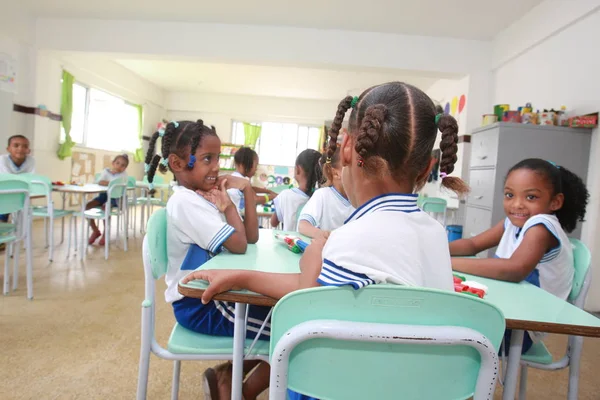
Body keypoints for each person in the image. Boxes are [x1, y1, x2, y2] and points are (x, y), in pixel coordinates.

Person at [182, 82, 469, 399]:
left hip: (347, 386)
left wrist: (310, 258)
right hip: (420, 388)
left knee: (293, 339)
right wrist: (243, 275)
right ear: (428, 165)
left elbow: (305, 301)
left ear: (346, 148)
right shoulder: (434, 233)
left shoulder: (351, 237)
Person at [143, 120, 267, 400]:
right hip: (200, 304)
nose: (215, 167)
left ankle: (227, 375)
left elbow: (251, 237)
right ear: (177, 163)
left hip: (214, 297)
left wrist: (247, 189)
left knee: (280, 318)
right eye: (206, 159)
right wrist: (228, 205)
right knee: (288, 327)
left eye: (218, 158)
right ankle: (238, 392)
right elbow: (238, 245)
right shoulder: (186, 202)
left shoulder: (202, 196)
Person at [449, 158, 588, 353]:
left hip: (521, 329)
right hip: (507, 312)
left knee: (444, 331)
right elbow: (472, 245)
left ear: (555, 202)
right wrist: (436, 249)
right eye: (509, 195)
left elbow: (515, 269)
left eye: (530, 197)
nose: (517, 204)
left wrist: (448, 262)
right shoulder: (512, 222)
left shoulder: (541, 226)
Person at [297, 148, 354, 238]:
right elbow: (303, 225)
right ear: (335, 173)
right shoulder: (322, 195)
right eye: (351, 166)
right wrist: (325, 236)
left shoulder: (359, 200)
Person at [270, 149, 322, 230]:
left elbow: (273, 223)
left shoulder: (285, 195)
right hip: (314, 242)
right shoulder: (322, 196)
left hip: (290, 242)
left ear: (298, 169)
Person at [86, 154, 129, 245]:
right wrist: (110, 183)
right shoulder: (106, 171)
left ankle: (106, 234)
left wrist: (108, 183)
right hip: (103, 196)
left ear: (125, 168)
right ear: (113, 163)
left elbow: (119, 185)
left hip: (115, 198)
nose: (119, 166)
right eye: (117, 163)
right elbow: (100, 182)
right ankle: (95, 230)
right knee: (86, 207)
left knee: (105, 207)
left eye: (123, 165)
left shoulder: (123, 175)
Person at [227, 146, 278, 214]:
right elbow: (255, 199)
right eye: (255, 166)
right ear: (243, 165)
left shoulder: (235, 176)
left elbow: (251, 189)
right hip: (236, 216)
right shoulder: (242, 180)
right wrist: (272, 197)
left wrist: (268, 191)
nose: (256, 169)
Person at [0, 135, 36, 227]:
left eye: (25, 146)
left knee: (22, 213)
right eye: (16, 145)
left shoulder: (31, 160)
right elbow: (7, 179)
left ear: (29, 150)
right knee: (4, 207)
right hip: (3, 193)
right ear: (8, 149)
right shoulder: (2, 160)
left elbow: (30, 179)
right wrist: (22, 181)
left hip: (19, 194)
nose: (20, 149)